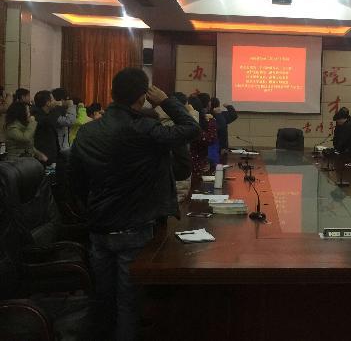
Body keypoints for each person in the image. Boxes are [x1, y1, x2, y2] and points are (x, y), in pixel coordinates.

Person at [70, 68, 199, 341]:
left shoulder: (87, 132)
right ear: (143, 97)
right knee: (128, 304)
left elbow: (76, 182)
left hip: (99, 228)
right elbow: (191, 129)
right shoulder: (144, 129)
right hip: (133, 229)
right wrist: (165, 101)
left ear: (112, 93)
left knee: (103, 301)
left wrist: (91, 211)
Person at [31, 90, 62, 165]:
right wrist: (57, 106)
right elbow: (49, 122)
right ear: (48, 103)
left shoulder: (47, 114)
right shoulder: (36, 115)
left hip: (50, 155)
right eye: (53, 99)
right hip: (42, 156)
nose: (55, 101)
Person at [189, 94, 217, 175]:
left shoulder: (205, 117)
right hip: (194, 164)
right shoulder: (192, 122)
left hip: (197, 162)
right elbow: (209, 138)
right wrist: (212, 121)